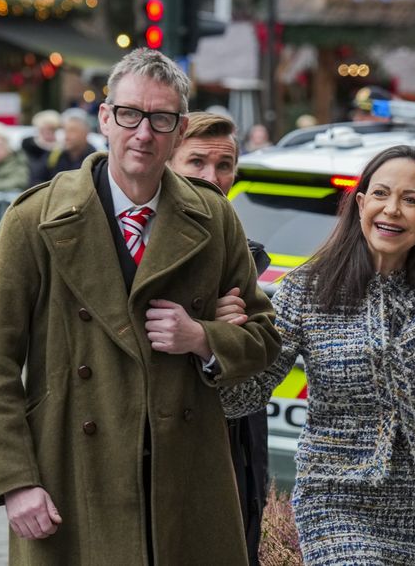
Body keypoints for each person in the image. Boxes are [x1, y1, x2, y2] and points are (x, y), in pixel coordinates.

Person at [0, 48, 281, 565]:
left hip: (186, 482)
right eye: (130, 114)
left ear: (179, 131)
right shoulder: (36, 218)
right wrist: (15, 481)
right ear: (106, 118)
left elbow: (264, 339)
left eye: (161, 119)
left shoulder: (215, 219)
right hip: (71, 474)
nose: (143, 133)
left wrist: (201, 338)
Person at [220, 134, 415, 564]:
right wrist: (217, 346)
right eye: (380, 194)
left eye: (411, 200)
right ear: (361, 204)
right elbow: (251, 388)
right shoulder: (305, 290)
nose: (392, 209)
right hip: (334, 495)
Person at [167, 111, 271, 566]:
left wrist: (221, 341)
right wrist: (211, 326)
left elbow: (263, 353)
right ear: (167, 162)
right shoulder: (136, 242)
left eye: (224, 166)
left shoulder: (242, 255)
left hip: (235, 443)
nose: (213, 177)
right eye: (196, 163)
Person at [31, 107, 97, 184]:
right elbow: (35, 180)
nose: (67, 136)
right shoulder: (55, 155)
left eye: (72, 130)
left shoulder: (95, 160)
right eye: (65, 130)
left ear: (86, 132)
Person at [21, 109, 61, 184]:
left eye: (51, 129)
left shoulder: (60, 149)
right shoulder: (28, 144)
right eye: (44, 129)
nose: (47, 132)